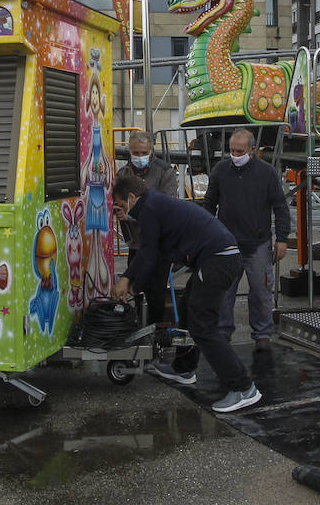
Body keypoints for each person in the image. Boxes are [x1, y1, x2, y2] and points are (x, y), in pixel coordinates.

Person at [109, 173, 261, 414]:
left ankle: (244, 388)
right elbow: (155, 252)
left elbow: (147, 253)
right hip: (220, 258)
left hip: (217, 261)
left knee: (203, 327)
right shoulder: (155, 204)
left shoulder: (149, 208)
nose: (119, 210)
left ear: (131, 197)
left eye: (119, 204)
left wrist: (127, 280)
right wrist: (133, 281)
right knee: (190, 309)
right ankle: (184, 368)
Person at [202, 129, 292, 352]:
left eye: (239, 151)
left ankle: (262, 334)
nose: (234, 154)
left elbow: (280, 206)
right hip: (226, 245)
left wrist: (282, 239)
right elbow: (209, 203)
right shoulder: (220, 170)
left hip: (258, 243)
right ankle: (222, 333)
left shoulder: (267, 173)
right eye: (232, 150)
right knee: (223, 293)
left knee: (261, 291)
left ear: (252, 150)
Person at [115, 131, 180, 321]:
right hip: (136, 241)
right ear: (129, 151)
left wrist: (133, 215)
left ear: (151, 151)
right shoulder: (124, 173)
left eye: (143, 152)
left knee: (156, 289)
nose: (139, 157)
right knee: (134, 284)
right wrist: (118, 209)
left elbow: (166, 206)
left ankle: (156, 328)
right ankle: (135, 323)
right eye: (135, 152)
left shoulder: (164, 171)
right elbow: (118, 199)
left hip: (159, 241)